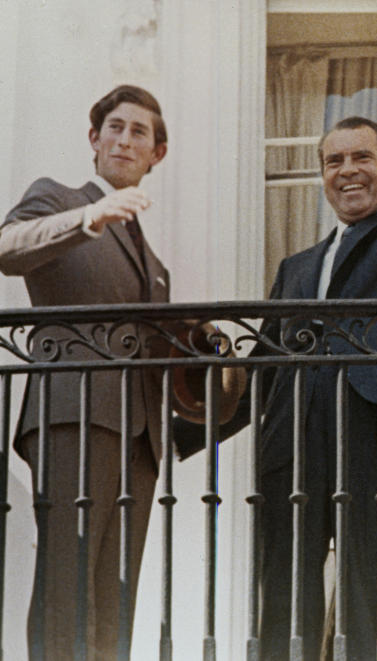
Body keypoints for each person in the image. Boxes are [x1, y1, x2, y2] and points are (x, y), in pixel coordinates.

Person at [176, 2, 377, 659]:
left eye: (362, 157)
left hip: (376, 429)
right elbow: (261, 371)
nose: (346, 169)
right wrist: (183, 419)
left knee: (369, 587)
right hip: (292, 439)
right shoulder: (295, 266)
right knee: (283, 590)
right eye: (332, 160)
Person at [0, 85, 171, 660]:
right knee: (67, 581)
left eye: (139, 132)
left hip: (141, 438)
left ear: (157, 154)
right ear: (94, 140)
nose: (125, 139)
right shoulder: (59, 198)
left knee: (115, 596)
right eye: (115, 128)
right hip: (73, 415)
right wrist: (89, 217)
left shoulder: (156, 263)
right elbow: (7, 247)